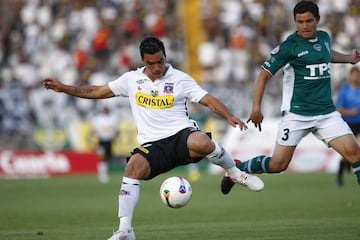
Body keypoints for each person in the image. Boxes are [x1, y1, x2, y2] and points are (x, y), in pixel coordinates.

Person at [43, 36, 264, 240]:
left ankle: (236, 174)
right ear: (143, 61)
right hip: (154, 145)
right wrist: (64, 88)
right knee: (132, 168)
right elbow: (98, 92)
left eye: (160, 61)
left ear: (165, 55)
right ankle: (125, 230)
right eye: (151, 63)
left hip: (181, 135)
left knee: (202, 142)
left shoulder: (179, 78)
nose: (157, 67)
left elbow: (207, 99)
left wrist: (229, 115)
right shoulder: (131, 80)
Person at [220, 0, 360, 195]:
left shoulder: (324, 38)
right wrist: (256, 108)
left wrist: (348, 58)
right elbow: (263, 76)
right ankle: (237, 169)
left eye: (309, 21)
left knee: (355, 153)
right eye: (300, 22)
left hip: (327, 113)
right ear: (295, 22)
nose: (304, 26)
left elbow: (326, 54)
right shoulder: (289, 47)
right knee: (278, 164)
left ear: (317, 20)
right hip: (297, 115)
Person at [335, 66, 360, 186]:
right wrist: (350, 112)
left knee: (357, 149)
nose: (356, 77)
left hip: (359, 124)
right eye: (354, 75)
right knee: (347, 154)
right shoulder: (345, 91)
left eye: (357, 75)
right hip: (348, 124)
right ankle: (340, 176)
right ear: (350, 76)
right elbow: (339, 108)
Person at [91, 105, 119, 183]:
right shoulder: (98, 119)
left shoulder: (113, 118)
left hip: (109, 140)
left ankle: (104, 173)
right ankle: (102, 174)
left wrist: (116, 137)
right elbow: (94, 130)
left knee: (107, 157)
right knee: (102, 157)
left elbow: (115, 130)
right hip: (101, 140)